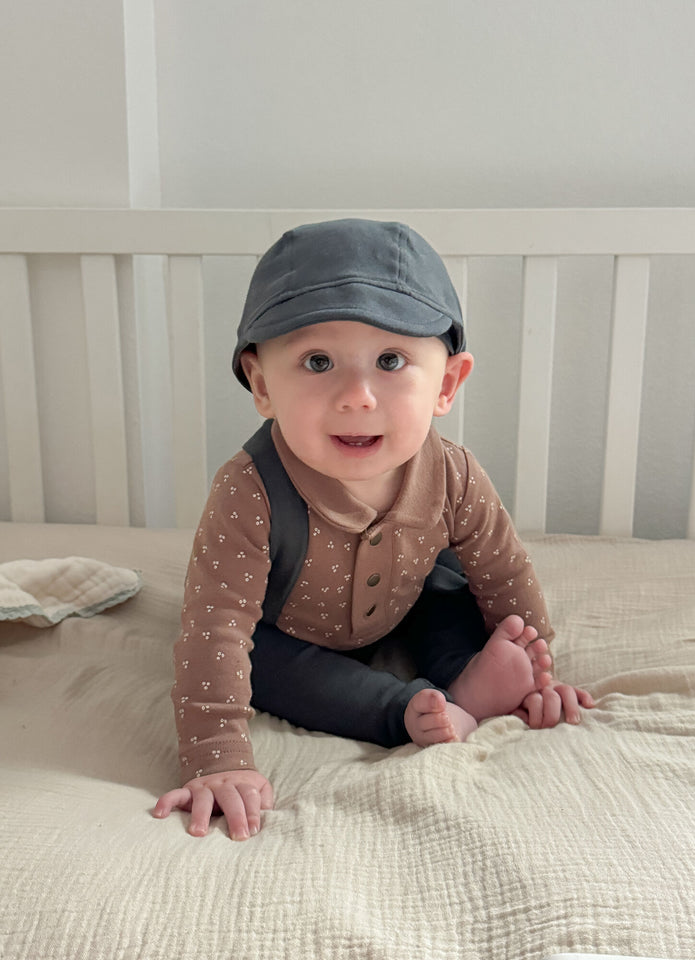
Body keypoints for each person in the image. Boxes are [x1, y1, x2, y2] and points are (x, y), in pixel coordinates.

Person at [153, 219, 594, 841]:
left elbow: (503, 571)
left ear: (445, 384)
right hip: (287, 630)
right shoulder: (248, 492)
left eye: (391, 360)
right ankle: (410, 711)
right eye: (317, 361)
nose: (357, 395)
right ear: (261, 384)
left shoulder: (453, 474)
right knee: (272, 668)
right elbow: (215, 628)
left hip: (407, 601)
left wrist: (539, 670)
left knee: (453, 592)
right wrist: (217, 757)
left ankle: (473, 676)